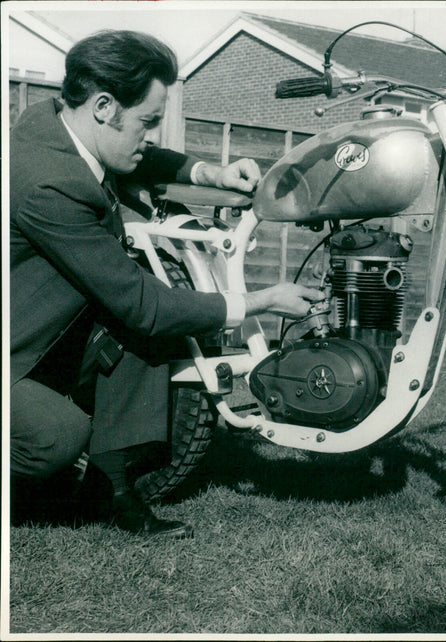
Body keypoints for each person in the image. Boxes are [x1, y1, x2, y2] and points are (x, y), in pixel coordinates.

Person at [9, 30, 323, 538]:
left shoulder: (54, 127)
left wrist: (213, 173)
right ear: (105, 105)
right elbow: (143, 306)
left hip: (36, 328)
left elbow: (140, 158)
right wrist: (262, 301)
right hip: (15, 352)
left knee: (146, 337)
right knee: (56, 438)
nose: (150, 137)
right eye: (147, 122)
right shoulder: (49, 183)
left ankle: (111, 490)